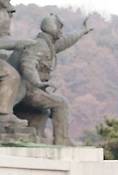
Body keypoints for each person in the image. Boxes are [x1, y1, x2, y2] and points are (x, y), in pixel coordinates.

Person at [8, 13, 92, 144]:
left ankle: (37, 137)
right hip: (26, 90)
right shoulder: (39, 45)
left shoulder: (47, 45)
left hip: (32, 88)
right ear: (51, 28)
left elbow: (65, 42)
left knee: (43, 111)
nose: (61, 32)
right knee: (61, 104)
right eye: (59, 28)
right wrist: (38, 82)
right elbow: (27, 65)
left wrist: (81, 32)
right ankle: (62, 140)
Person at [0, 0, 32, 126]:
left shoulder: (4, 13)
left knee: (19, 75)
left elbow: (3, 38)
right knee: (11, 75)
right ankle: (3, 115)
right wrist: (15, 43)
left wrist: (20, 43)